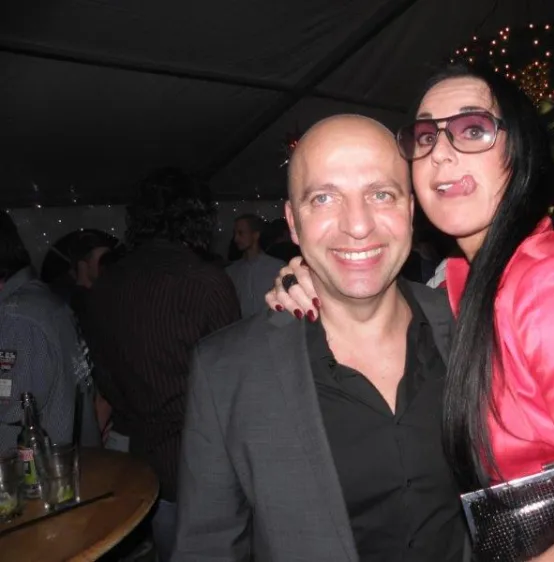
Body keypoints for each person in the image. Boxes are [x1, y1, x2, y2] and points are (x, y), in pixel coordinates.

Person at [266, 62, 554, 560]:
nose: (441, 152)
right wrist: (313, 278)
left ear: (518, 154)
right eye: (426, 137)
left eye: (472, 130)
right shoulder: (465, 285)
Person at [172, 116, 469, 562]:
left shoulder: (472, 327)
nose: (358, 225)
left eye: (381, 194)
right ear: (294, 223)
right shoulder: (227, 372)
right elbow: (206, 549)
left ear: (410, 210)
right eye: (324, 198)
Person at [83, 168, 240, 561]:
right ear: (198, 217)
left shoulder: (106, 285)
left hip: (137, 462)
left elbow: (104, 376)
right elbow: (235, 382)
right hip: (201, 464)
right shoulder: (205, 281)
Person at [0, 212, 100, 451]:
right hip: (65, 462)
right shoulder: (40, 301)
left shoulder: (18, 318)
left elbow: (12, 407)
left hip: (31, 470)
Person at [225, 214, 286, 318]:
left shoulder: (277, 267)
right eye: (235, 233)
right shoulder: (231, 271)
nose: (236, 239)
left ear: (256, 235)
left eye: (241, 233)